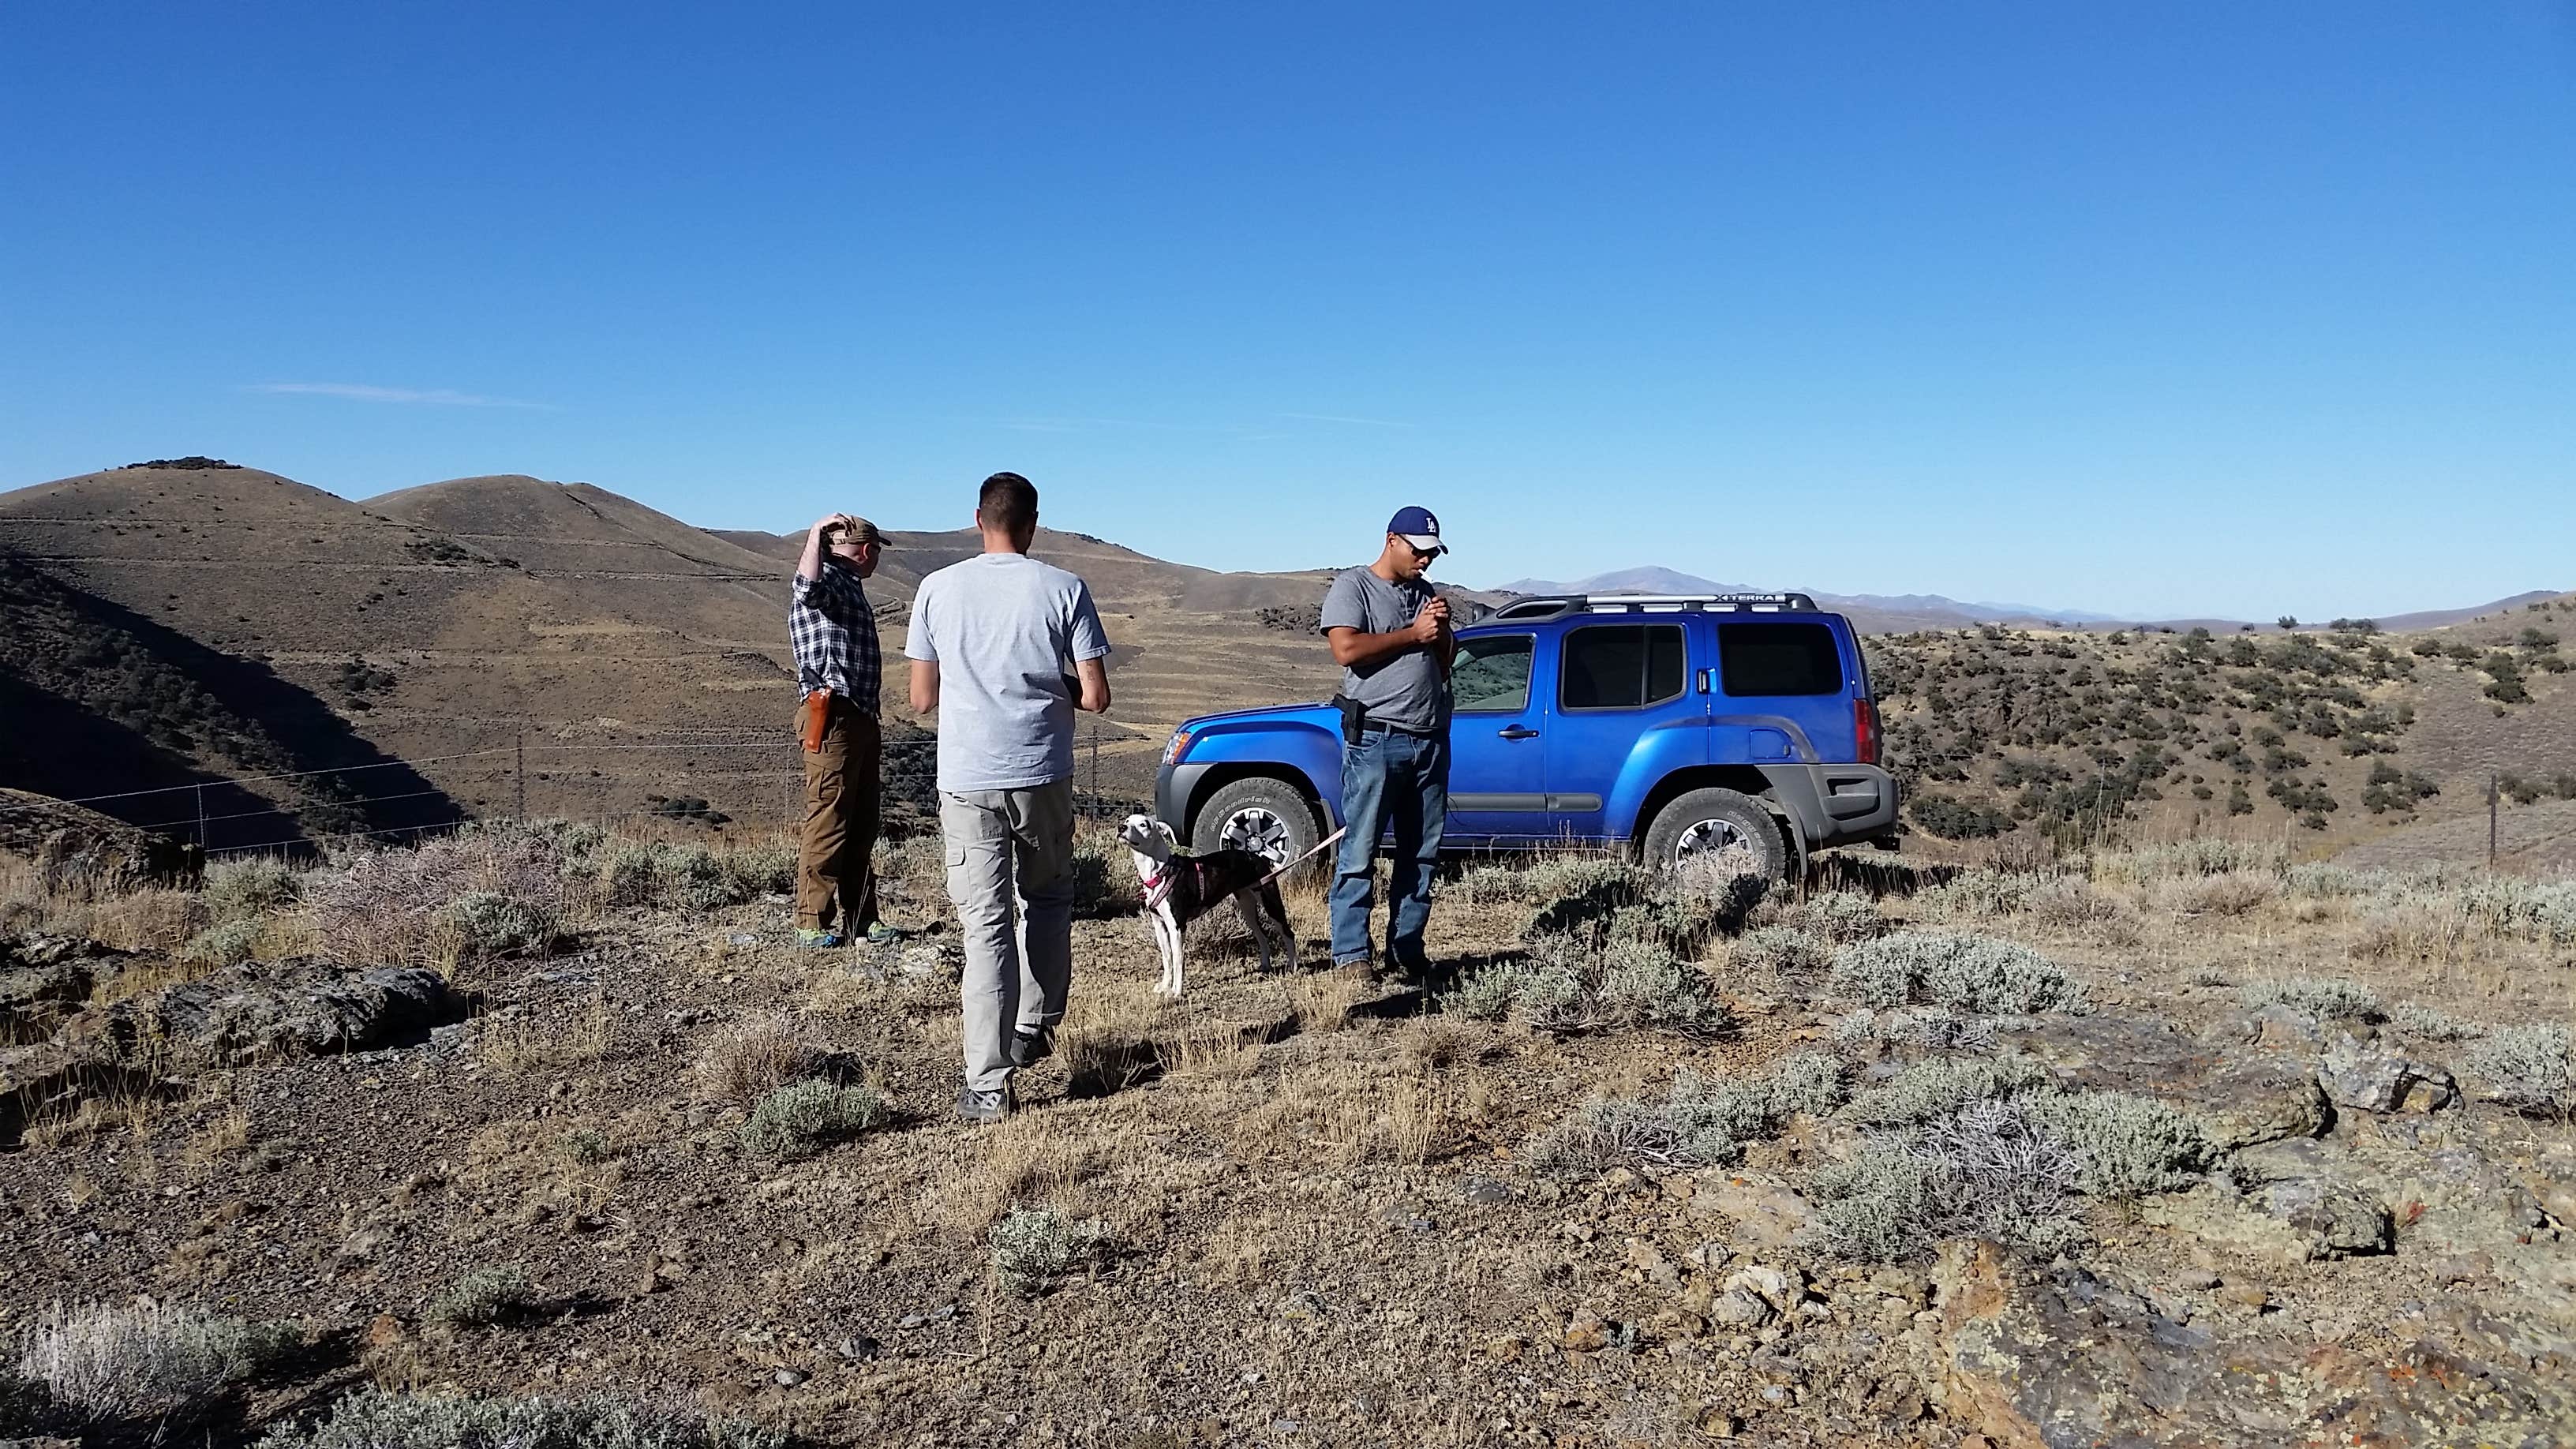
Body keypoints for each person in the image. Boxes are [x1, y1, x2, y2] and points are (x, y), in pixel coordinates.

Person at [905, 472, 1113, 1122]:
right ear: (1033, 523)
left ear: (977, 519)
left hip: (967, 775)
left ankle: (988, 1084)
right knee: (1047, 897)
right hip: (1041, 770)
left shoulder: (936, 590)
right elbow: (1096, 695)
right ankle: (1037, 1023)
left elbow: (920, 698)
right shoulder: (1064, 588)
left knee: (985, 926)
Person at [1320, 505, 1455, 979]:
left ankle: (1406, 947)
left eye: (1433, 553)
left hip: (1430, 740)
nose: (1426, 560)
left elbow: (1443, 661)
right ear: (1392, 539)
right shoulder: (1354, 586)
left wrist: (1440, 634)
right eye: (1419, 551)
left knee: (1421, 852)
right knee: (1361, 850)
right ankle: (1352, 955)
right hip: (1377, 739)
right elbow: (1346, 649)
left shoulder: (1425, 593)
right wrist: (1413, 633)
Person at [789, 511, 908, 949]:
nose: (875, 557)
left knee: (861, 822)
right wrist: (815, 535)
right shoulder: (831, 581)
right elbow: (807, 588)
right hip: (833, 715)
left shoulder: (849, 587)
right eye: (873, 549)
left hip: (858, 716)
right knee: (829, 818)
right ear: (864, 549)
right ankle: (811, 921)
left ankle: (861, 917)